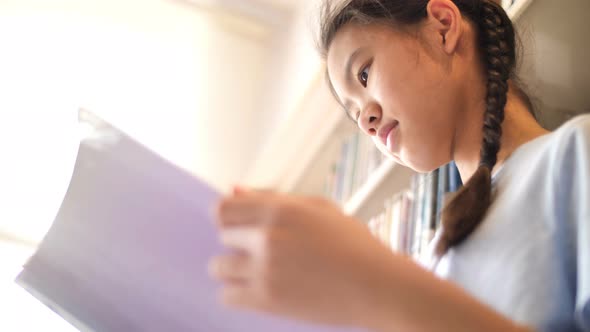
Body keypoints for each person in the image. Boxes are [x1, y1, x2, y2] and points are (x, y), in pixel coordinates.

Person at [208, 0, 590, 331]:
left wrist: (380, 286)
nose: (364, 122)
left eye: (364, 74)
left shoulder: (575, 153)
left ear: (443, 26)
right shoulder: (433, 260)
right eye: (353, 112)